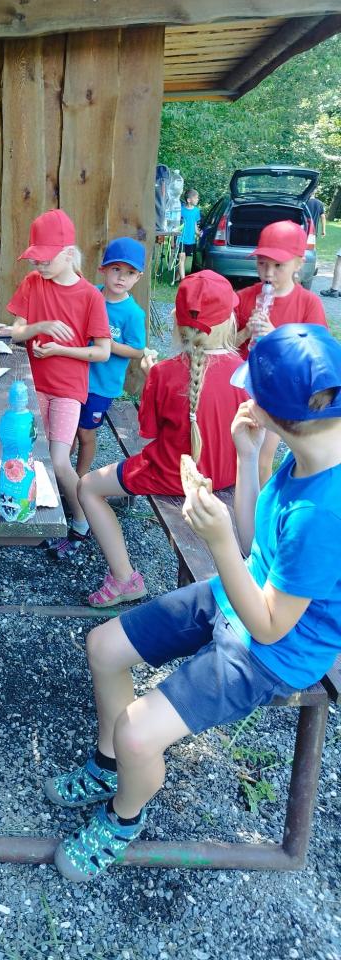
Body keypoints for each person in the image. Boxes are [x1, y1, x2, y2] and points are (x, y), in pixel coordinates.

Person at [45, 323, 341, 883]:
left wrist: (217, 541)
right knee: (104, 646)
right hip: (242, 595)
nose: (245, 398)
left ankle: (124, 816)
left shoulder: (323, 511)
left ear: (278, 411)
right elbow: (255, 544)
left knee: (138, 733)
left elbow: (270, 626)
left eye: (253, 392)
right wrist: (247, 457)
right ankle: (110, 766)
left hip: (274, 652)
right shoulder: (313, 451)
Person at [78, 271, 247, 606]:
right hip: (225, 474)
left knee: (86, 487)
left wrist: (150, 377)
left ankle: (124, 578)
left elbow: (148, 435)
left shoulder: (164, 373)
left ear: (176, 320)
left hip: (173, 476)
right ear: (229, 320)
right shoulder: (243, 369)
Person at [7, 209, 111, 558]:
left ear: (68, 253)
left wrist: (61, 349)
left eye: (45, 259)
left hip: (68, 389)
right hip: (35, 385)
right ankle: (40, 513)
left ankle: (81, 520)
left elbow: (102, 352)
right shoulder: (33, 283)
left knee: (59, 459)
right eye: (35, 259)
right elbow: (16, 332)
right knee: (34, 454)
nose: (39, 265)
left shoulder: (90, 296)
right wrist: (41, 327)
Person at [234, 220, 327, 485]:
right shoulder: (244, 297)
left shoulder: (308, 304)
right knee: (233, 451)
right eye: (262, 263)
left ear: (298, 264)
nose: (268, 273)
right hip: (239, 387)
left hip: (279, 392)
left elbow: (316, 358)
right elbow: (223, 345)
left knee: (261, 458)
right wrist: (245, 332)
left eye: (278, 266)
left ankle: (260, 506)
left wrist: (276, 336)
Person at [74, 237, 146, 478]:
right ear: (102, 269)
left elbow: (137, 350)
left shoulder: (133, 313)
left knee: (85, 433)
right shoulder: (89, 295)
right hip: (75, 378)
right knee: (66, 432)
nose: (121, 277)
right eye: (116, 269)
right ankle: (62, 478)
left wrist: (109, 344)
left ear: (138, 277)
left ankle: (80, 479)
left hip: (102, 386)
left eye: (130, 272)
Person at [175, 188, 201, 285]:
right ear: (189, 200)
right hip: (181, 238)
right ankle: (183, 281)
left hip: (190, 239)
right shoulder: (181, 210)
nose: (197, 199)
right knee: (181, 257)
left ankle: (177, 276)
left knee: (184, 258)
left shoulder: (196, 211)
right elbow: (176, 224)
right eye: (196, 198)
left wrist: (198, 233)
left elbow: (195, 224)